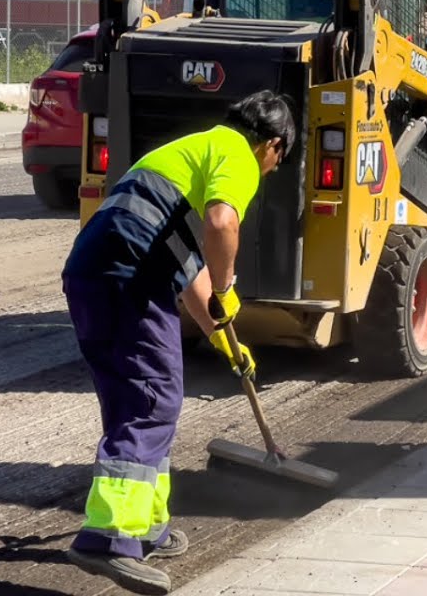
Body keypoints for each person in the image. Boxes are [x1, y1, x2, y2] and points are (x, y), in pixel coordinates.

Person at [60, 91, 296, 595]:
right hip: (130, 277)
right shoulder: (236, 152)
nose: (271, 170)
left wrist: (226, 340)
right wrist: (228, 286)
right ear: (272, 145)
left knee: (135, 402)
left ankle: (146, 524)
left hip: (91, 274)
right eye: (279, 160)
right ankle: (109, 537)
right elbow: (221, 222)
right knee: (154, 401)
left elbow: (187, 269)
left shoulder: (185, 154)